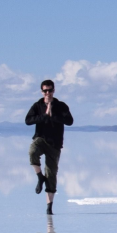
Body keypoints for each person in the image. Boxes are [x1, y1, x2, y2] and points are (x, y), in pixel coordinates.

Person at [25, 79, 74, 215]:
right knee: (32, 151)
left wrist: (54, 114)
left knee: (51, 174)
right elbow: (28, 120)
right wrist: (44, 116)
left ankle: (49, 207)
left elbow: (70, 121)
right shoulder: (37, 105)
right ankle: (40, 177)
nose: (48, 93)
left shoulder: (61, 105)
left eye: (50, 90)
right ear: (42, 91)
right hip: (41, 138)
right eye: (45, 90)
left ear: (54, 90)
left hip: (55, 143)